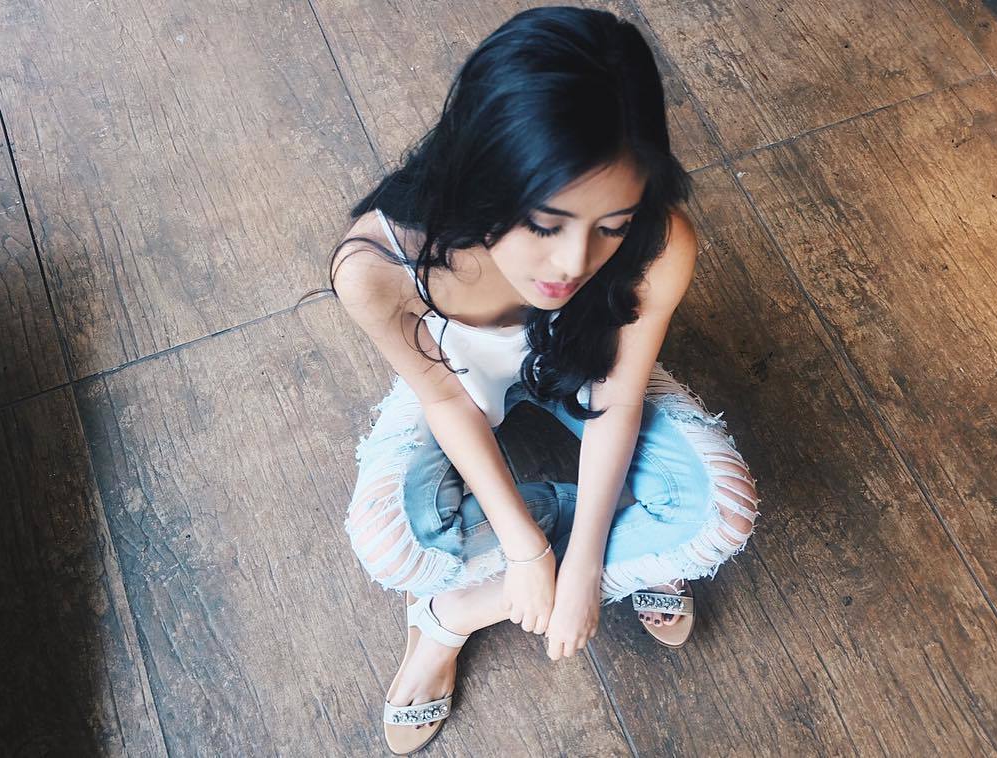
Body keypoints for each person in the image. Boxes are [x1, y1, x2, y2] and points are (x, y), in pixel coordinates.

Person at [298, 6, 760, 755]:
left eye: (612, 225)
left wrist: (579, 569)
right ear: (483, 178)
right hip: (458, 376)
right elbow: (444, 398)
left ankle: (452, 614)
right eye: (546, 224)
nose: (574, 264)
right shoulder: (377, 266)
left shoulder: (662, 241)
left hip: (589, 365)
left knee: (724, 509)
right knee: (386, 541)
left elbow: (619, 399)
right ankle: (636, 545)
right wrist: (524, 549)